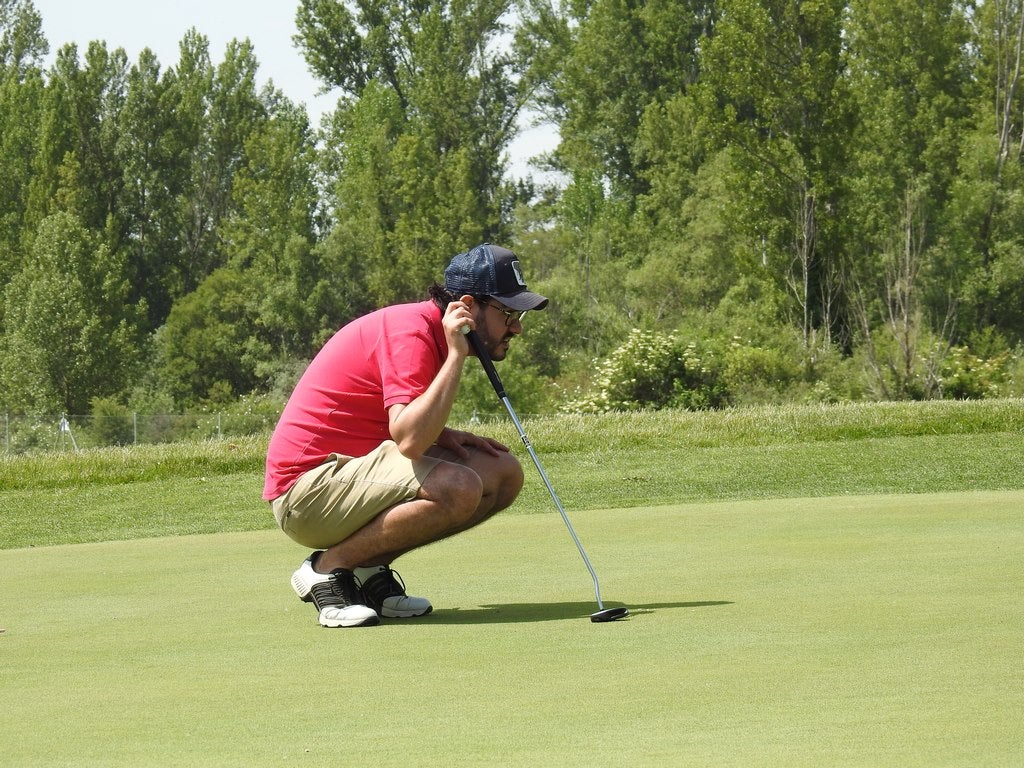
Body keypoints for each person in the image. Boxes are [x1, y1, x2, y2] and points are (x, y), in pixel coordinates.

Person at [263, 243, 548, 627]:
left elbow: (389, 424)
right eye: (508, 313)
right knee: (458, 486)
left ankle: (368, 569)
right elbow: (410, 441)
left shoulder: (426, 329)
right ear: (467, 305)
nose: (516, 327)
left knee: (501, 472)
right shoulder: (411, 333)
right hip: (306, 494)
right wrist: (456, 354)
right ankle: (327, 569)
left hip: (347, 477)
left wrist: (442, 434)